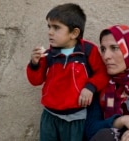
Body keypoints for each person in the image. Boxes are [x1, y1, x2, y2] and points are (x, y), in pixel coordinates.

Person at [26, 3, 109, 141]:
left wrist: (90, 87)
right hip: (50, 116)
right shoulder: (49, 54)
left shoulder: (87, 51)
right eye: (49, 27)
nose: (50, 32)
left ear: (74, 33)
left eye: (56, 28)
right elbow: (36, 80)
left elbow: (102, 74)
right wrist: (34, 64)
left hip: (76, 118)